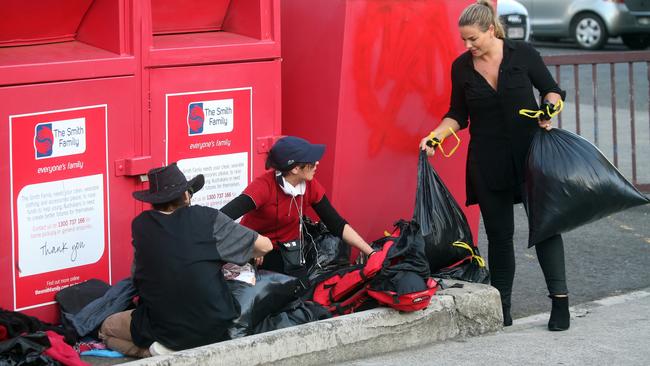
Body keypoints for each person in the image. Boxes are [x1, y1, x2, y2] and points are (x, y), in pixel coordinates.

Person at [419, 0, 569, 331]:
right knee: (500, 236)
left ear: (491, 30)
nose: (467, 46)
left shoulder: (523, 54)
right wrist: (436, 135)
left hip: (532, 156)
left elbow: (552, 92)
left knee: (545, 228)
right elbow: (458, 113)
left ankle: (560, 303)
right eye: (464, 40)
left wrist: (548, 110)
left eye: (473, 38)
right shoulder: (461, 67)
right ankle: (503, 307)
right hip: (487, 161)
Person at [98, 163, 273, 357]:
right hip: (216, 325)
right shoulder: (207, 218)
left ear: (153, 201)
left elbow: (136, 276)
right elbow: (266, 246)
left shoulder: (142, 225)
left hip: (164, 326)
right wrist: (244, 251)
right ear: (186, 195)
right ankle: (164, 351)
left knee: (106, 330)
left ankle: (155, 352)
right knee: (112, 330)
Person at [221, 136, 374, 277]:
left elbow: (336, 223)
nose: (317, 164)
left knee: (302, 293)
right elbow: (221, 218)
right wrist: (251, 242)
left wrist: (370, 252)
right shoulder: (263, 187)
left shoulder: (310, 185)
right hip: (260, 254)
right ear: (294, 169)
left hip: (290, 253)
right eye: (311, 162)